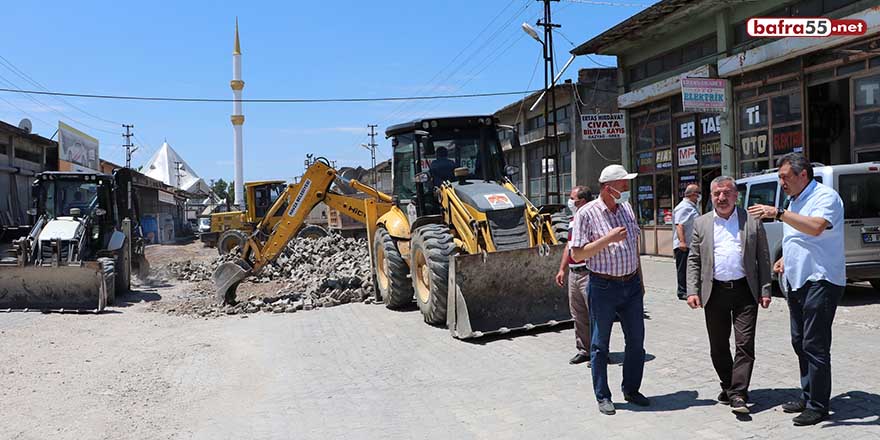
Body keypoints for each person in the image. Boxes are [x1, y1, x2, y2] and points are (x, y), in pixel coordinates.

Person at [747, 153, 845, 426]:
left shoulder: (825, 197)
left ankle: (818, 405)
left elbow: (815, 228)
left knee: (815, 344)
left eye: (784, 177)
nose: (781, 183)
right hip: (797, 280)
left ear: (803, 175)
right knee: (799, 342)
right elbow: (798, 237)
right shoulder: (796, 200)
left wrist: (778, 213)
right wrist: (784, 259)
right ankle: (808, 393)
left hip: (821, 280)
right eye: (779, 178)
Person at [686, 176, 772, 415]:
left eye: (726, 193)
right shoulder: (701, 223)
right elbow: (693, 258)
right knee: (718, 346)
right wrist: (692, 290)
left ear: (736, 196)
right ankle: (729, 385)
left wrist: (765, 289)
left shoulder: (752, 221)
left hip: (745, 291)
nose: (721, 198)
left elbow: (763, 258)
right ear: (711, 196)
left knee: (744, 344)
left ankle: (737, 394)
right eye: (716, 194)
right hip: (714, 292)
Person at [570, 164, 648, 415]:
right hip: (603, 286)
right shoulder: (586, 214)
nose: (627, 188)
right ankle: (603, 395)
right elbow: (577, 253)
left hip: (631, 284)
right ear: (608, 187)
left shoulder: (626, 208)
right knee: (600, 344)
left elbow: (633, 244)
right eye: (623, 184)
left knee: (636, 342)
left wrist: (641, 279)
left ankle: (631, 389)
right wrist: (608, 240)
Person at [555, 186, 593, 366]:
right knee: (578, 315)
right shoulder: (573, 220)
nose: (570, 201)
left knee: (595, 314)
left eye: (572, 198)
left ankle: (599, 352)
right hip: (573, 273)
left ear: (582, 201)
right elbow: (568, 246)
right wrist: (562, 268)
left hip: (588, 272)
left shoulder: (592, 218)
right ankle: (584, 350)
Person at [673, 184, 701, 300]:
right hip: (683, 245)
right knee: (683, 269)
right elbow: (679, 225)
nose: (699, 196)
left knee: (689, 268)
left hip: (690, 244)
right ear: (692, 194)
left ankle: (689, 289)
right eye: (698, 193)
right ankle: (682, 291)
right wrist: (682, 242)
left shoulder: (691, 206)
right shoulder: (684, 207)